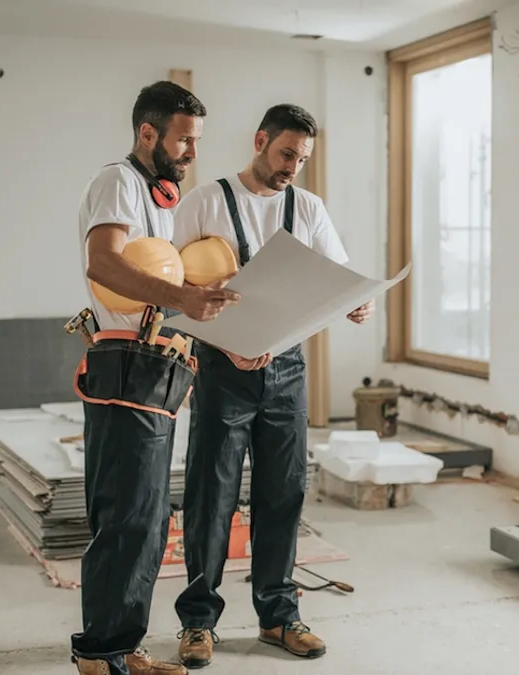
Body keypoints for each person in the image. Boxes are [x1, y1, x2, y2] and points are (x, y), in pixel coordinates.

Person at [169, 103, 373, 668]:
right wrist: (223, 339)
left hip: (286, 371)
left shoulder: (307, 207)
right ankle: (197, 623)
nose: (292, 167)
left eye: (302, 159)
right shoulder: (206, 201)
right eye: (286, 154)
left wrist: (358, 302)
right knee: (212, 496)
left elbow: (338, 276)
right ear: (260, 140)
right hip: (221, 368)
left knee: (283, 493)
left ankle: (279, 616)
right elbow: (171, 285)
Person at [70, 81, 240, 675]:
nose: (192, 151)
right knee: (128, 514)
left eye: (196, 140)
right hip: (126, 360)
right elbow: (105, 262)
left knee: (144, 515)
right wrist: (183, 298)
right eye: (184, 139)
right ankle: (104, 652)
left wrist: (204, 313)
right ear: (149, 133)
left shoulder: (158, 199)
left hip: (155, 363)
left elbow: (158, 282)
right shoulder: (118, 180)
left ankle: (119, 646)